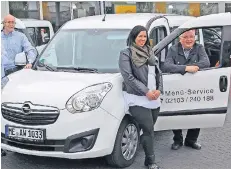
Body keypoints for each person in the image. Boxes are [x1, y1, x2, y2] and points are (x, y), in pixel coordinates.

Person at [119, 25, 163, 169]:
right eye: (140, 36)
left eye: (145, 36)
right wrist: (146, 91)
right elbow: (128, 77)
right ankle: (151, 161)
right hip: (137, 97)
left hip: (153, 97)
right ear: (133, 37)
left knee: (149, 130)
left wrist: (159, 90)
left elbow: (158, 73)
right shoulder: (126, 54)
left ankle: (146, 154)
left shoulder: (151, 53)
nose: (143, 39)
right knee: (149, 128)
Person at [163, 29, 210, 150]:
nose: (189, 39)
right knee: (176, 113)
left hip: (195, 88)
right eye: (186, 37)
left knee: (196, 113)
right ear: (180, 38)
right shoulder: (173, 49)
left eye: (192, 37)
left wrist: (196, 67)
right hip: (178, 88)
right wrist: (186, 68)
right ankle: (177, 140)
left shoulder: (199, 48)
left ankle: (191, 140)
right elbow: (167, 66)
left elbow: (206, 62)